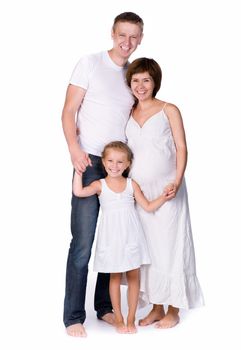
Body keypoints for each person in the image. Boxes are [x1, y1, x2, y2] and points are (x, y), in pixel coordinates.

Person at [61, 12, 144, 337]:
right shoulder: (90, 63)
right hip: (90, 161)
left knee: (114, 237)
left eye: (134, 37)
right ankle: (73, 316)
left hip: (119, 168)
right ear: (112, 33)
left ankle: (105, 308)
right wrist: (74, 148)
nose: (127, 42)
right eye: (122, 35)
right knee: (83, 243)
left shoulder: (132, 75)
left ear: (140, 39)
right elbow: (69, 110)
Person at [125, 58, 204, 329]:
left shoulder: (169, 109)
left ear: (155, 81)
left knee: (171, 246)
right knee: (150, 250)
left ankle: (174, 308)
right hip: (140, 194)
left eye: (146, 80)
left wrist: (177, 180)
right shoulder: (128, 112)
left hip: (168, 190)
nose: (141, 85)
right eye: (136, 80)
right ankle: (157, 306)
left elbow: (181, 148)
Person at [72, 141, 175, 333]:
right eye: (110, 161)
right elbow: (79, 192)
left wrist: (164, 197)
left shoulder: (131, 184)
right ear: (103, 162)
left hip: (131, 237)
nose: (114, 165)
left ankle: (130, 318)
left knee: (134, 275)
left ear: (128, 164)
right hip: (111, 238)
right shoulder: (99, 184)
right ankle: (118, 318)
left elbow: (148, 206)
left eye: (120, 162)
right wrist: (79, 173)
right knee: (114, 275)